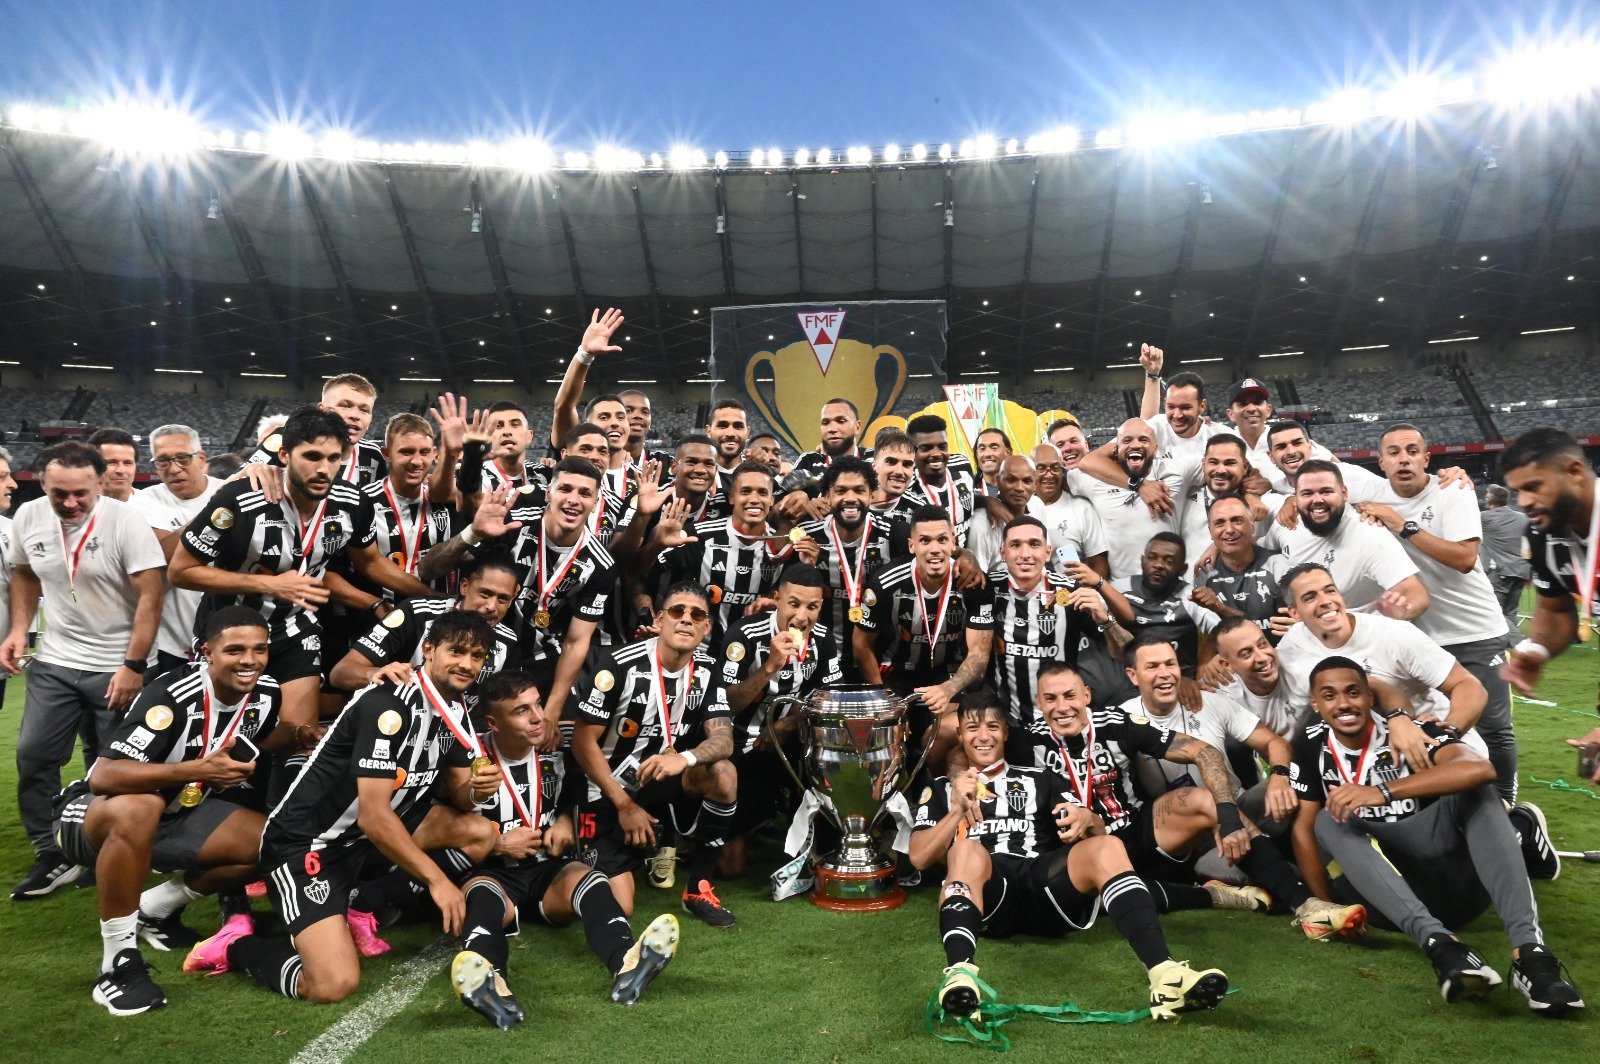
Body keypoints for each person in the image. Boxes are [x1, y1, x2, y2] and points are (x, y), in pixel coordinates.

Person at [183, 611, 503, 1003]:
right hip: (310, 843)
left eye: (477, 656)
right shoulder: (389, 704)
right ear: (429, 649)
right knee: (332, 984)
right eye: (457, 652)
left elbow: (462, 796)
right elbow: (374, 816)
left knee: (480, 832)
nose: (467, 664)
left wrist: (479, 792)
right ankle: (234, 946)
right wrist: (438, 881)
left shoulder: (455, 709)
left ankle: (360, 905)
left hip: (362, 839)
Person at [909, 691, 1229, 1024]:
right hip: (989, 893)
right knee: (966, 849)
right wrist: (956, 811)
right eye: (973, 728)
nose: (983, 736)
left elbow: (1095, 833)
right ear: (960, 735)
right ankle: (960, 976)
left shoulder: (1040, 778)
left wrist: (1086, 819)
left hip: (1042, 884)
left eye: (992, 726)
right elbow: (918, 857)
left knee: (1108, 846)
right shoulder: (942, 788)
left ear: (1005, 732)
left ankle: (1165, 976)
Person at [1289, 657, 1582, 1015]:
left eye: (1353, 692)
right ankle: (1443, 947)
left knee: (1477, 791)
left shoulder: (1412, 732)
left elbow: (1480, 768)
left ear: (1370, 696)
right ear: (1315, 704)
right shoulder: (1310, 744)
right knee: (1326, 819)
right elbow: (1303, 827)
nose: (1343, 704)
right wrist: (1326, 907)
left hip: (1457, 886)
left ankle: (1532, 955)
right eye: (1330, 695)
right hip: (1390, 904)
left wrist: (1382, 792)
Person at [169, 407, 433, 778]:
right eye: (311, 456)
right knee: (221, 739)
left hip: (294, 629)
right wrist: (269, 584)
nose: (324, 468)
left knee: (298, 737)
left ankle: (278, 808)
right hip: (232, 632)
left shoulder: (352, 503)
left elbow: (372, 562)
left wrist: (431, 596)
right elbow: (181, 571)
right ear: (284, 455)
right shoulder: (239, 499)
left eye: (333, 458)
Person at [1022, 656, 1363, 938]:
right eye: (1050, 699)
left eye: (1069, 695)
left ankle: (1307, 906)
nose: (1062, 707)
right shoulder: (1024, 742)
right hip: (1081, 852)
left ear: (1086, 694)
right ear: (1039, 702)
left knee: (1199, 800)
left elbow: (1205, 752)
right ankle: (1211, 893)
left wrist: (1228, 818)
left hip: (1133, 834)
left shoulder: (1118, 722)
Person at [55, 607, 286, 1015]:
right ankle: (117, 963)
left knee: (273, 841)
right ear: (207, 652)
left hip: (175, 815)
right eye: (235, 650)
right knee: (141, 807)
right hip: (92, 815)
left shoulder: (266, 694)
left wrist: (304, 733)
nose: (249, 660)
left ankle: (154, 910)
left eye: (259, 649)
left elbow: (260, 735)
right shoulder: (172, 693)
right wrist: (199, 770)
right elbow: (104, 776)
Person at [450, 671, 681, 1026]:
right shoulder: (470, 759)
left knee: (592, 881)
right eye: (521, 711)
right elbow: (448, 818)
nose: (537, 717)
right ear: (493, 723)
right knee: (482, 897)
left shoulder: (555, 749)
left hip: (548, 870)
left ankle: (627, 963)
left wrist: (562, 820)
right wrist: (497, 843)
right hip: (493, 873)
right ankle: (490, 984)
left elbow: (576, 786)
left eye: (538, 705)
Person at [1, 441, 166, 900]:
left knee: (112, 766)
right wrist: (19, 629)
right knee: (34, 754)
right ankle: (50, 853)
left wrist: (133, 665)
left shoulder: (126, 521)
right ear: (43, 484)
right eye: (60, 493)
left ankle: (102, 846)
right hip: (56, 659)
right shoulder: (29, 516)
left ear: (99, 484)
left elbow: (152, 594)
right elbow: (24, 573)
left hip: (117, 662)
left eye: (81, 494)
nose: (71, 503)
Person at [1359, 424, 1520, 801]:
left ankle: (1505, 802)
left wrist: (1403, 525)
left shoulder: (1452, 489)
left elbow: (1465, 558)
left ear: (1426, 459)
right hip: (1420, 638)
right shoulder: (1369, 493)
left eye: (1412, 451)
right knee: (1423, 725)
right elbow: (1314, 475)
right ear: (1380, 462)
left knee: (1493, 726)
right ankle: (1445, 803)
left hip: (1475, 631)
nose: (1403, 459)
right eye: (1394, 452)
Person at [569, 584, 740, 928]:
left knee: (723, 773)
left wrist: (684, 758)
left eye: (697, 615)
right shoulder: (618, 664)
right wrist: (624, 805)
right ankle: (583, 852)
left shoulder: (709, 670)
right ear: (660, 620)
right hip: (606, 789)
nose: (686, 619)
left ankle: (698, 888)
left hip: (660, 780)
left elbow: (723, 740)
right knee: (621, 905)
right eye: (677, 611)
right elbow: (582, 742)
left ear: (707, 627)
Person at [422, 459, 613, 728]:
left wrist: (552, 712)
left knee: (556, 734)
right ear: (548, 493)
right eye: (565, 489)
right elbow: (428, 569)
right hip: (475, 647)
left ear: (596, 501)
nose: (574, 500)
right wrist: (472, 533)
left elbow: (576, 642)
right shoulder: (513, 525)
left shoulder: (600, 564)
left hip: (537, 660)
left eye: (585, 493)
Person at [717, 565, 843, 876]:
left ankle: (819, 838)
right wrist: (770, 667)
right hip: (742, 745)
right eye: (794, 604)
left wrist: (787, 725)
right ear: (777, 599)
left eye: (812, 607)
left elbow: (830, 699)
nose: (802, 616)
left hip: (793, 741)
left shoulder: (824, 639)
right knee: (731, 868)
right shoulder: (743, 635)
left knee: (833, 753)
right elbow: (726, 704)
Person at [1494, 430, 1600, 778]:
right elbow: (1555, 610)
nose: (1524, 502)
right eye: (1517, 492)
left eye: (1534, 486)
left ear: (1574, 471)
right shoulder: (1542, 535)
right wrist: (1538, 649)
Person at [854, 505, 993, 768]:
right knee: (881, 739)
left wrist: (949, 688)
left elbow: (979, 654)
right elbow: (861, 644)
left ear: (953, 542)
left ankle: (936, 785)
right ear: (911, 545)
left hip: (948, 673)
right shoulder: (885, 583)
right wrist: (882, 698)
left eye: (942, 539)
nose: (934, 549)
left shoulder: (974, 584)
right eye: (925, 540)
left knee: (949, 733)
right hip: (895, 673)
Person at [984, 516, 1121, 750]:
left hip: (1062, 719)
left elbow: (1122, 651)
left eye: (1034, 544)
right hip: (1009, 722)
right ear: (1003, 552)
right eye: (1015, 545)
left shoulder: (1070, 591)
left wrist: (1106, 620)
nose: (1025, 554)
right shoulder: (988, 588)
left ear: (1047, 553)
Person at [651, 460, 820, 644]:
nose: (754, 499)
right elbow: (650, 576)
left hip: (756, 651)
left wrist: (809, 565)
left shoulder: (784, 547)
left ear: (772, 500)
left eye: (762, 492)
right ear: (731, 497)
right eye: (745, 491)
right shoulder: (699, 535)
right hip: (701, 650)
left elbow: (793, 601)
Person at [330, 555, 522, 713]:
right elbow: (341, 673)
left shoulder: (509, 641)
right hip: (398, 722)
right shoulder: (415, 613)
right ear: (464, 586)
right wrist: (377, 674)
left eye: (502, 599)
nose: (491, 606)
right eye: (485, 594)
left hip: (460, 736)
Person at [1260, 460, 1430, 618]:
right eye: (1307, 493)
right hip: (1307, 630)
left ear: (1344, 493)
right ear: (1295, 498)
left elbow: (1414, 591)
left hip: (1358, 635)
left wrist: (1404, 610)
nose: (1317, 500)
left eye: (1326, 491)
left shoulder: (1368, 534)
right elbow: (1259, 552)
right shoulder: (1287, 522)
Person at [130, 424, 225, 676]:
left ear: (201, 459)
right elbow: (165, 556)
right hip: (171, 646)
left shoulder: (227, 490)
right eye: (163, 461)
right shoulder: (143, 502)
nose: (173, 469)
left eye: (183, 458)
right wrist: (219, 509)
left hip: (229, 636)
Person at [795, 457, 900, 681]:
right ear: (827, 496)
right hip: (823, 660)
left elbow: (932, 548)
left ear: (872, 494)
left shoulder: (894, 533)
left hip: (880, 659)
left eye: (859, 490)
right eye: (841, 490)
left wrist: (965, 556)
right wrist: (807, 568)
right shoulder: (807, 535)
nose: (850, 498)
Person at [1069, 418, 1190, 580]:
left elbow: (1217, 467)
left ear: (1155, 448)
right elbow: (1082, 464)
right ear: (1115, 449)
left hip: (1169, 585)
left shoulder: (1177, 470)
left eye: (1143, 440)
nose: (1135, 445)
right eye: (1127, 440)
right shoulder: (1092, 480)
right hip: (1121, 587)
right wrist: (1138, 484)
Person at [1102, 533, 1219, 677]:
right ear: (1142, 561)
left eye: (1169, 561)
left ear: (1183, 569)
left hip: (1180, 680)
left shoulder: (1190, 597)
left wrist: (1205, 664)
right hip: (1129, 680)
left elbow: (1222, 629)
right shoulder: (1118, 589)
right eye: (1151, 558)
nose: (1158, 565)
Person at [249, 373, 387, 486]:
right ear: (322, 409)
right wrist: (249, 471)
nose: (355, 415)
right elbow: (239, 479)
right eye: (345, 405)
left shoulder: (373, 456)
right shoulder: (282, 440)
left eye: (364, 410)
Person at [1192, 494, 1292, 643]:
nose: (1229, 529)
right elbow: (1212, 638)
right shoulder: (1204, 574)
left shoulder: (1278, 565)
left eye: (1237, 520)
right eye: (1219, 523)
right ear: (1210, 531)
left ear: (1252, 525)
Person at [1028, 442, 1109, 579]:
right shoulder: (1021, 506)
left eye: (1055, 468)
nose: (1049, 475)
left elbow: (1099, 565)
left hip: (1074, 590)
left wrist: (1086, 589)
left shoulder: (1083, 509)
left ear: (1063, 471)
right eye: (1041, 468)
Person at [901, 414, 978, 544]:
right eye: (926, 448)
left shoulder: (962, 465)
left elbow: (973, 497)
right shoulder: (906, 489)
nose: (936, 454)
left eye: (942, 446)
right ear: (911, 452)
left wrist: (989, 501)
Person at [1136, 347, 1218, 466]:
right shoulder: (1158, 426)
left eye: (1185, 407)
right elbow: (1144, 425)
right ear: (1165, 403)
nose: (1177, 415)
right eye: (1171, 407)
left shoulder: (1219, 436)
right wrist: (1152, 373)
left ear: (1202, 406)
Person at [967, 455, 1038, 572]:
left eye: (1027, 481)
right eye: (1011, 480)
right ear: (998, 481)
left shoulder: (1037, 506)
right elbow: (977, 578)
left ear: (1036, 484)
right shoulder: (982, 524)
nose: (1019, 488)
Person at [1479, 484, 1531, 635]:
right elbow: (1527, 545)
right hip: (1521, 571)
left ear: (1490, 499)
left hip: (1499, 571)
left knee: (1494, 611)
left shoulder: (1484, 517)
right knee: (1511, 613)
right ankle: (1510, 643)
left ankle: (1517, 641)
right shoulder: (1523, 518)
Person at [706, 399, 752, 496]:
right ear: (708, 431)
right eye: (722, 426)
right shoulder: (695, 475)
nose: (730, 433)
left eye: (738, 426)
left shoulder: (758, 475)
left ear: (748, 433)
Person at [87, 427, 139, 502]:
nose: (121, 470)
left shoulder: (152, 505)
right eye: (112, 462)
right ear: (91, 465)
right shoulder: (75, 505)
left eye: (127, 463)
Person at [973, 428, 1013, 497]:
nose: (987, 454)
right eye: (982, 449)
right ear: (976, 454)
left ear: (1008, 453)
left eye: (994, 448)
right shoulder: (968, 489)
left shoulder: (1019, 488)